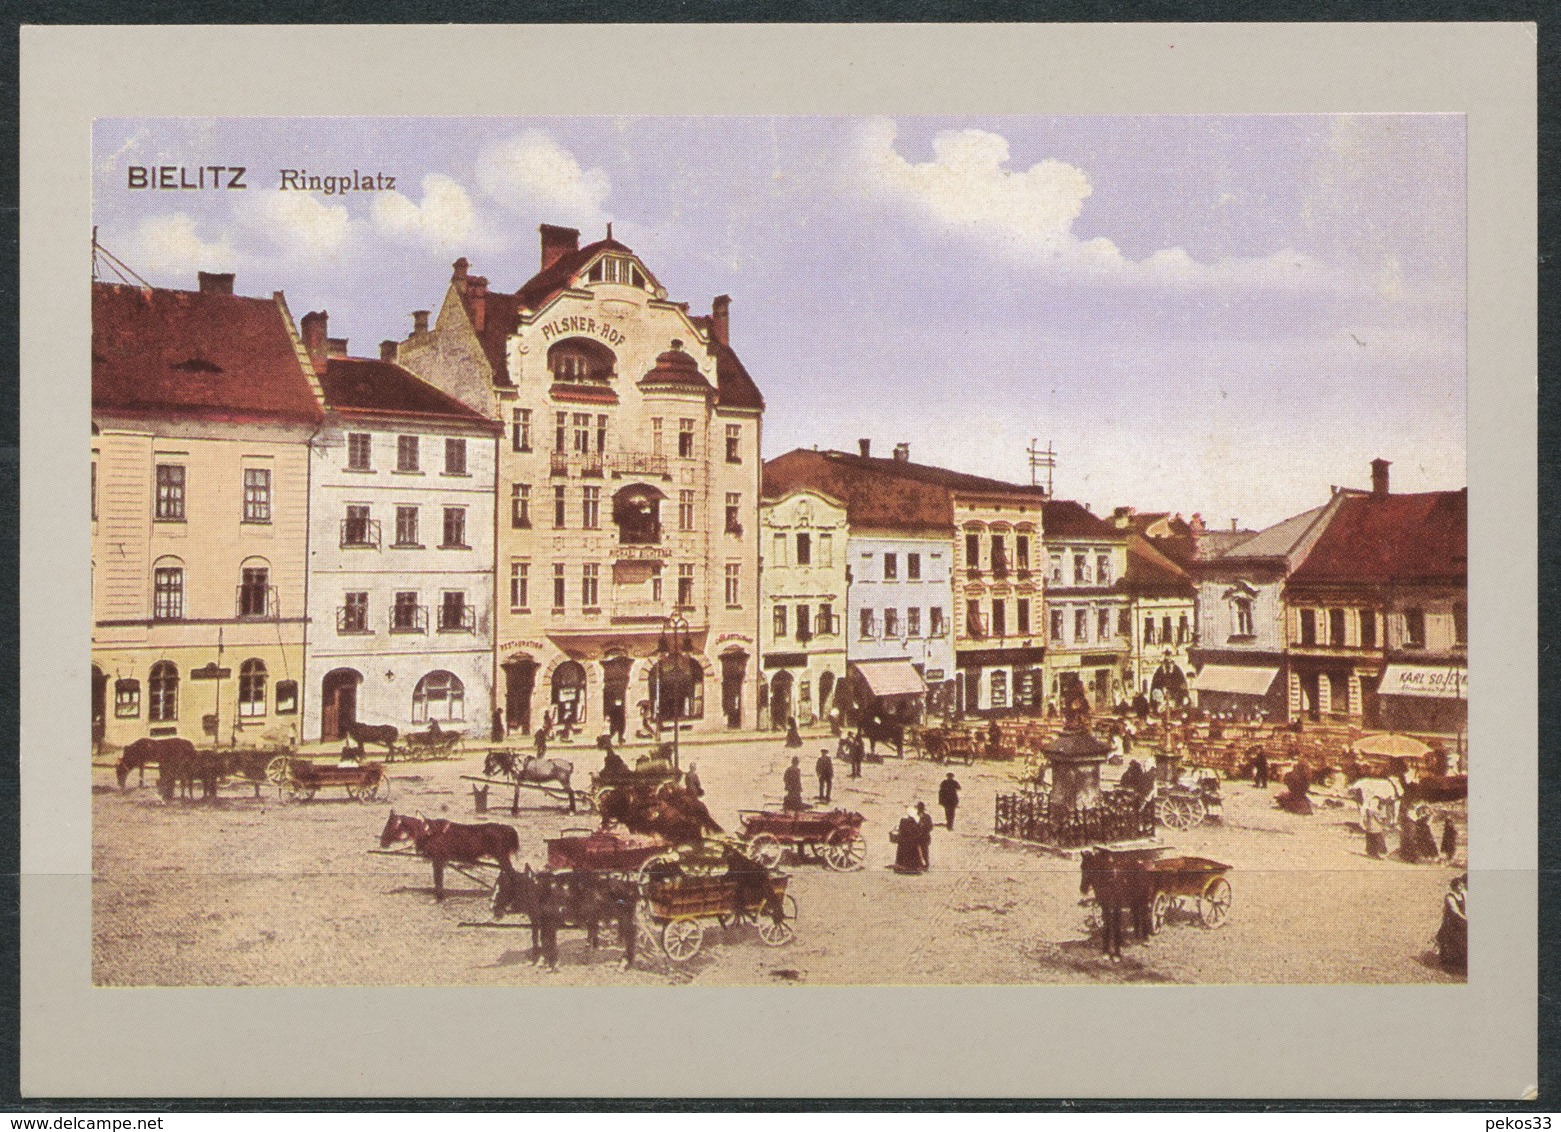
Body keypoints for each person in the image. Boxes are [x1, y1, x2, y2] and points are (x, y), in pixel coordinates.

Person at [1436, 874, 1468, 974]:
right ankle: (1449, 962)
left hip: (1461, 919)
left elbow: (1465, 908)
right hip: (1452, 921)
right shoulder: (1450, 897)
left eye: (1462, 885)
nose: (1461, 887)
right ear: (1454, 886)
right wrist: (1465, 919)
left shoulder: (1462, 894)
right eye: (1459, 885)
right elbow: (1456, 911)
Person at [892, 807, 924, 874]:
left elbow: (899, 829)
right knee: (913, 855)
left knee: (902, 854)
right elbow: (918, 832)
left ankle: (901, 866)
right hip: (912, 843)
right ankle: (912, 867)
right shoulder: (915, 822)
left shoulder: (903, 820)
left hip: (903, 842)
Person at [915, 802, 934, 870]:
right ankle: (919, 864)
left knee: (925, 851)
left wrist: (924, 828)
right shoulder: (914, 816)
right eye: (919, 808)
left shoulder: (927, 817)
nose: (919, 809)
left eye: (920, 808)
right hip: (917, 837)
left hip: (924, 837)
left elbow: (931, 827)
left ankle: (926, 864)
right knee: (916, 851)